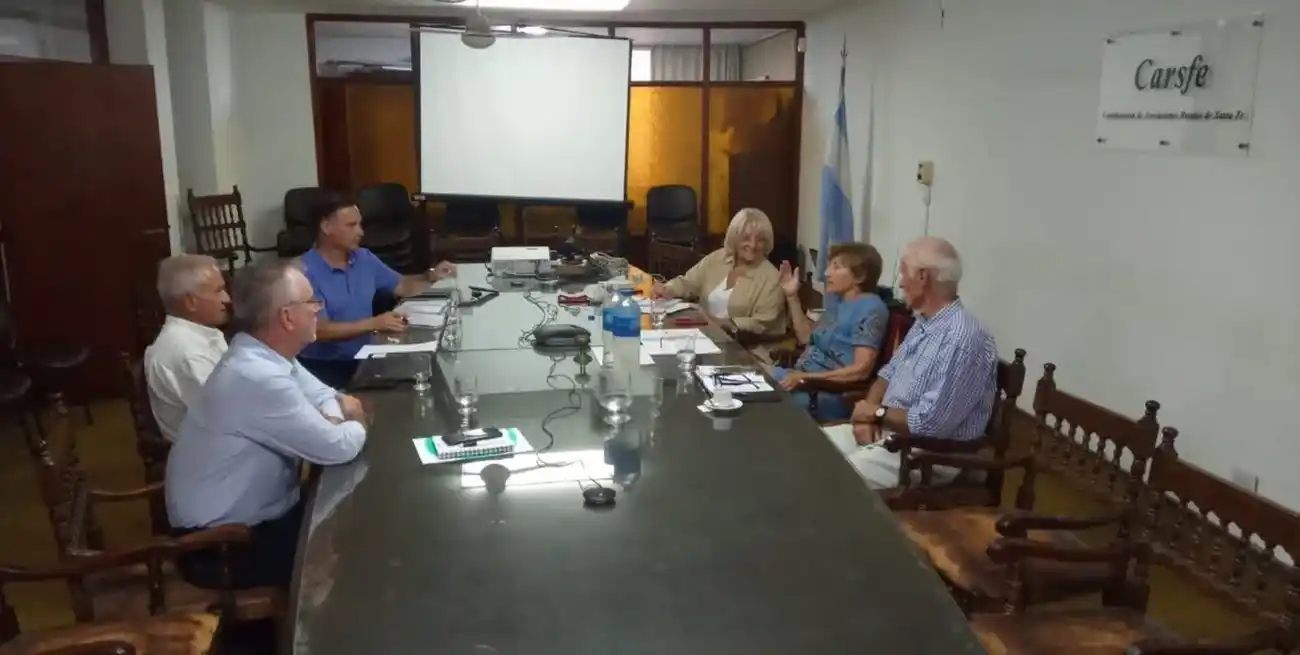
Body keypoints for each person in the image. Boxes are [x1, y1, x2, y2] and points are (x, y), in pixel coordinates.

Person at [166, 258, 368, 590]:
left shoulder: (265, 354)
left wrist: (332, 416)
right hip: (221, 544)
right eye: (312, 302)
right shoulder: (255, 375)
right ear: (287, 317)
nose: (319, 308)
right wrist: (354, 418)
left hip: (261, 516)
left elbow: (323, 393)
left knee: (354, 521)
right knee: (355, 550)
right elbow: (337, 448)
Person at [842, 236, 997, 489]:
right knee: (812, 447)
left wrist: (877, 413)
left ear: (923, 277)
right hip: (891, 433)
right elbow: (888, 373)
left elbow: (930, 425)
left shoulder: (962, 338)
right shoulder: (925, 322)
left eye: (903, 272)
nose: (900, 282)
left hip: (928, 454)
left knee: (830, 476)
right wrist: (866, 414)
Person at [298, 191, 456, 388]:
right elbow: (318, 330)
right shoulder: (303, 272)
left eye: (360, 224)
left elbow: (402, 286)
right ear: (326, 227)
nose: (361, 232)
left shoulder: (363, 258)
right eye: (351, 225)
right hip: (327, 369)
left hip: (366, 355)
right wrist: (374, 323)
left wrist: (430, 275)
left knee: (428, 375)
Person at [771, 243, 889, 422]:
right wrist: (791, 296)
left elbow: (861, 370)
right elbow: (805, 338)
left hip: (823, 394)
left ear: (860, 276)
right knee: (746, 377)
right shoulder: (838, 304)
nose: (827, 273)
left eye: (836, 267)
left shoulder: (871, 309)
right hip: (798, 380)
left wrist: (804, 377)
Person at [652, 208, 787, 340]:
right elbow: (688, 282)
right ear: (734, 238)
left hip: (745, 350)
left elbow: (763, 324)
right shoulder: (718, 258)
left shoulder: (772, 277)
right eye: (746, 238)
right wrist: (667, 289)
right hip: (705, 337)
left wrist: (721, 323)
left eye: (760, 240)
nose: (752, 245)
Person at [144, 254, 230, 442]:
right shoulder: (186, 353)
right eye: (218, 291)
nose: (227, 299)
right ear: (191, 302)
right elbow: (230, 416)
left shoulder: (203, 334)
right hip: (210, 457)